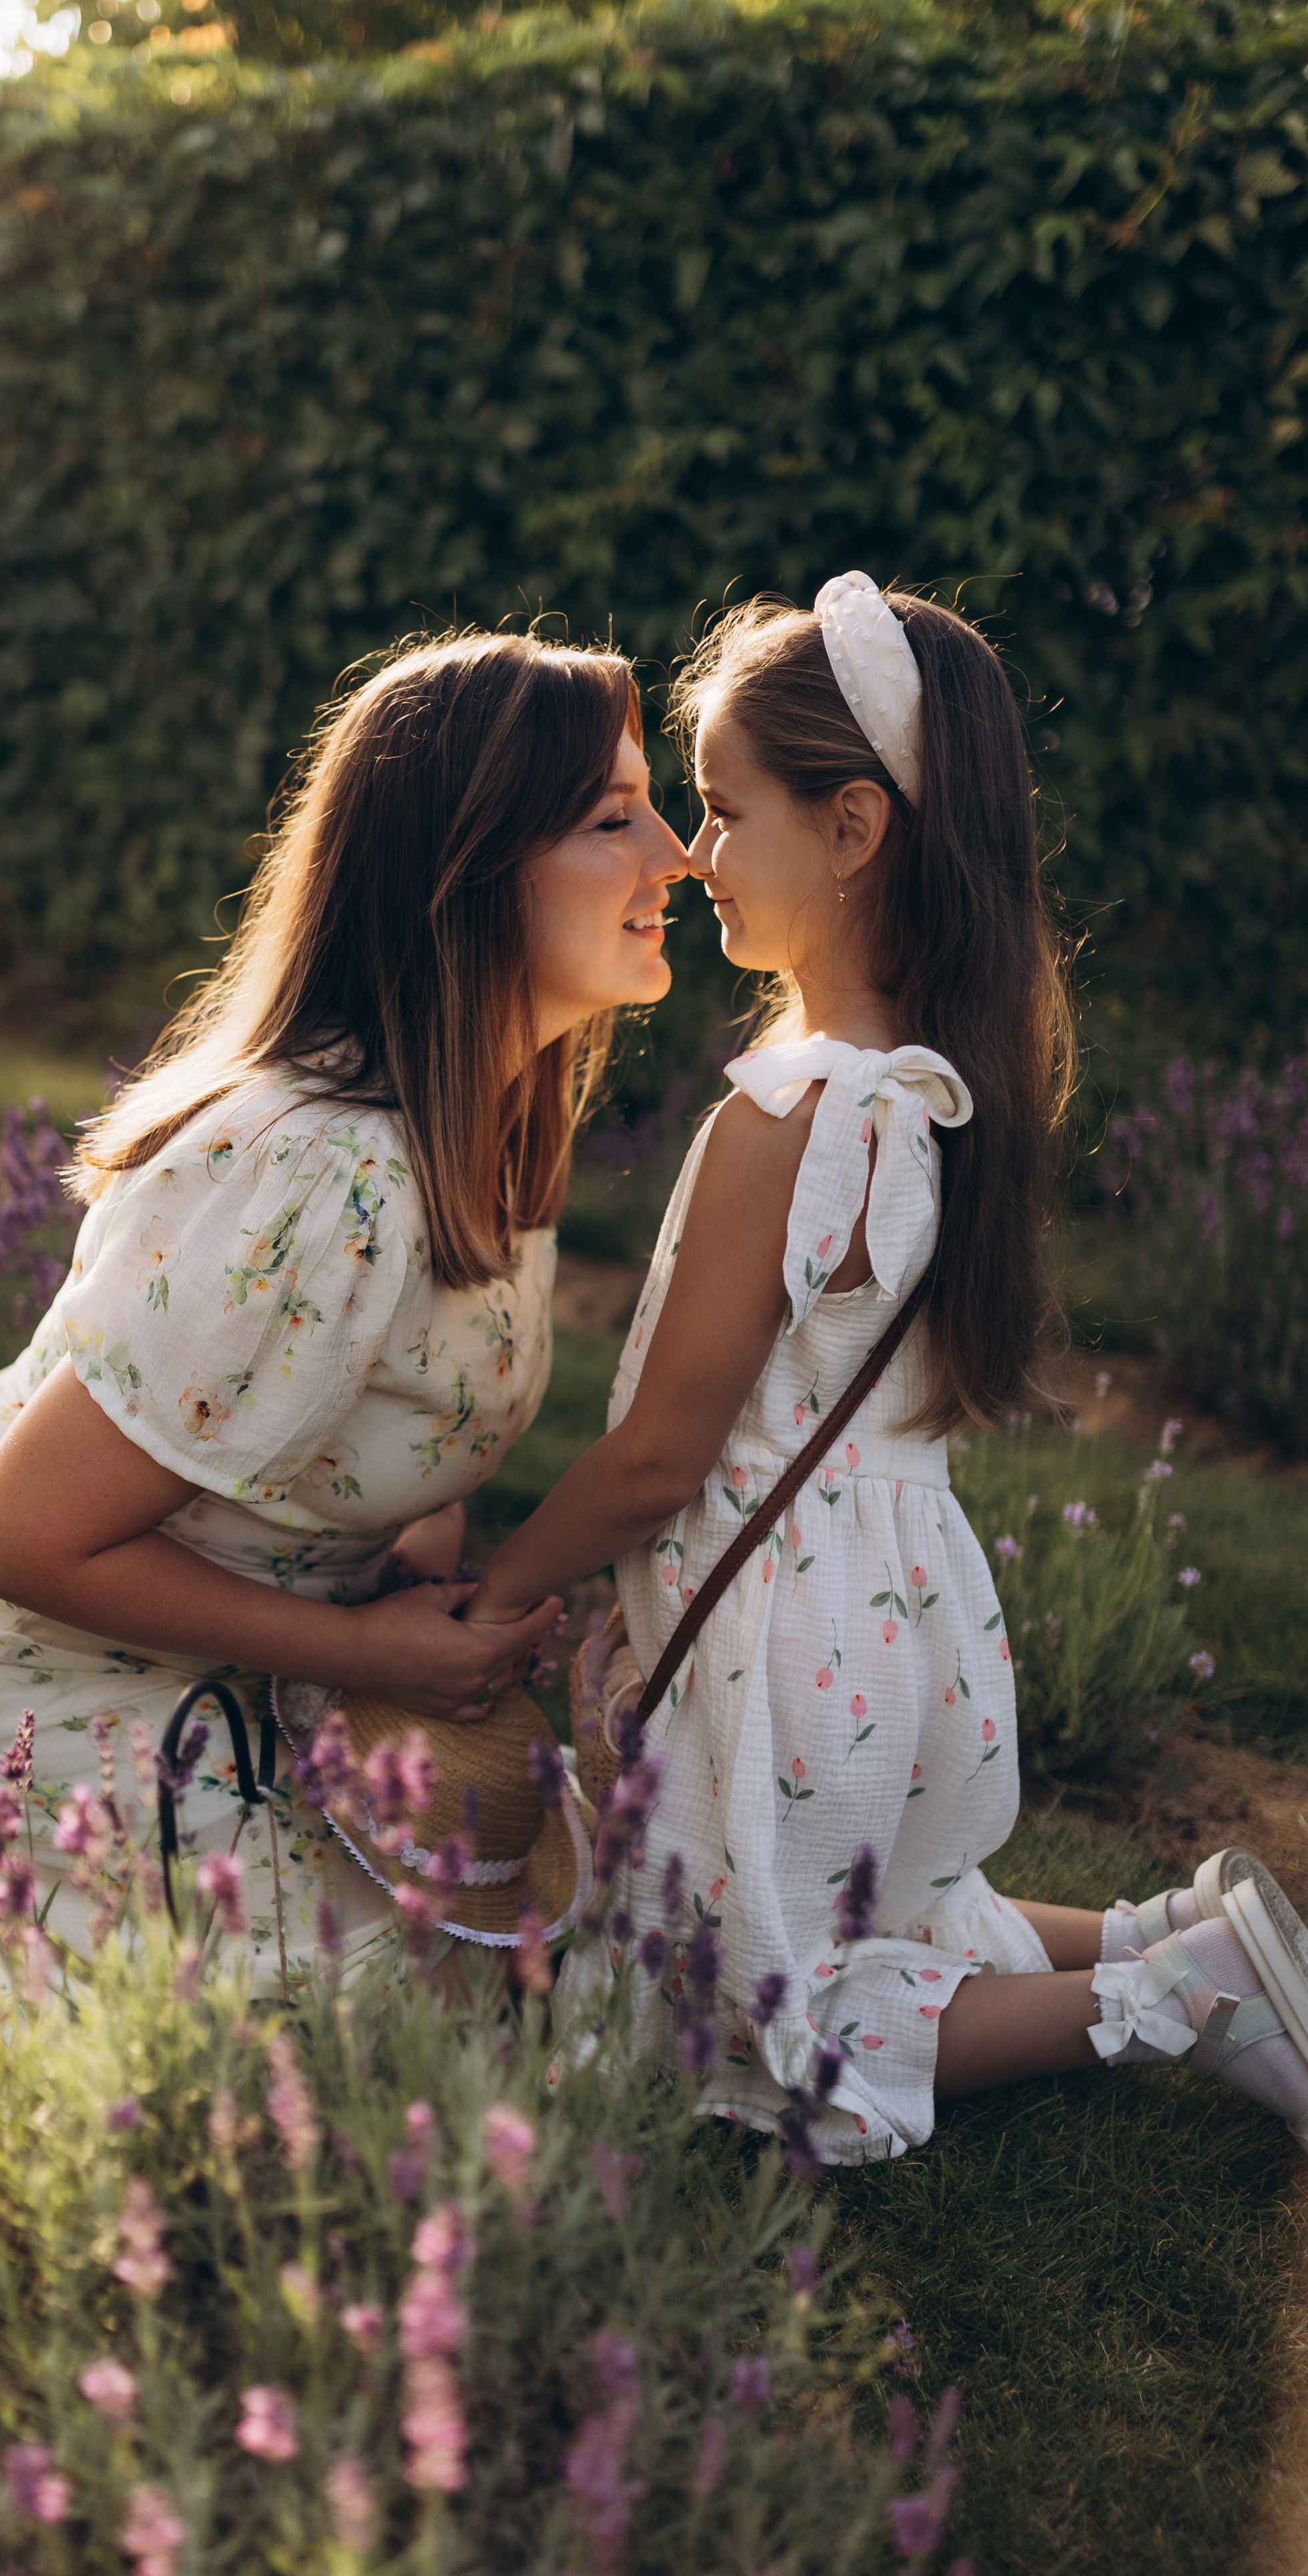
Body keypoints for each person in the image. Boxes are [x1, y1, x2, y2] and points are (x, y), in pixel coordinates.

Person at [466, 574, 1308, 2162]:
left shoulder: (785, 1117)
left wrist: (511, 1585)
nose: (693, 855)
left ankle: (1180, 1993)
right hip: (891, 1601)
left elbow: (657, 1454)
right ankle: (1151, 1937)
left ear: (851, 830)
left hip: (782, 1632)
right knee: (877, 1903)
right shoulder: (930, 1092)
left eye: (722, 813)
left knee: (744, 2013)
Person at [0, 628, 691, 1984]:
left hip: (231, 1616)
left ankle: (17, 1861)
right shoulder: (316, 1170)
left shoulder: (504, 1111)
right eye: (612, 819)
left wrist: (413, 1568)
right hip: (6, 1630)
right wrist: (354, 1646)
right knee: (353, 2024)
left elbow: (411, 1403)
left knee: (503, 1959)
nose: (676, 855)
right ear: (469, 879)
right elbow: (23, 1539)